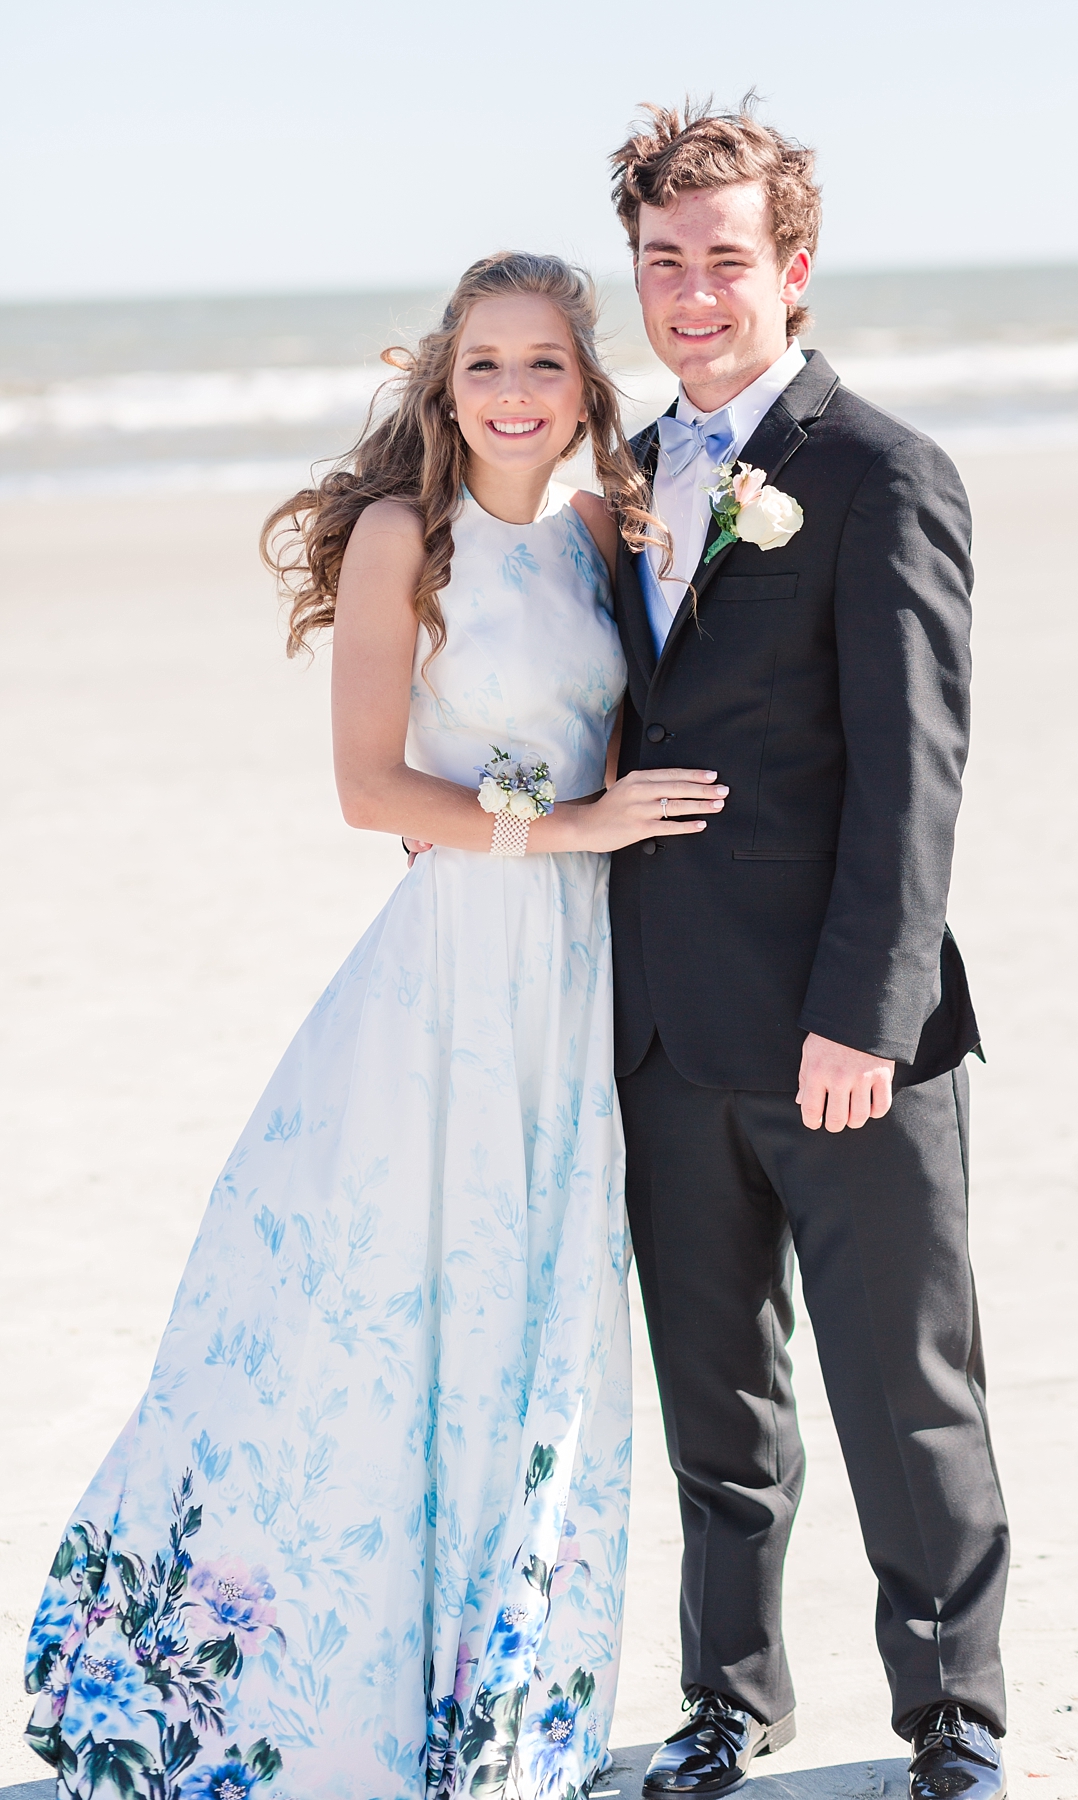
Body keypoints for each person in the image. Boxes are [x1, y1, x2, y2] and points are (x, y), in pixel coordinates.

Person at [23, 252, 722, 1800]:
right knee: (395, 1302)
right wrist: (571, 828)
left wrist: (607, 827)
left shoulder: (611, 528)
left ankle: (500, 1697)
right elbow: (368, 791)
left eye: (546, 363)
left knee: (535, 1315)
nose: (517, 392)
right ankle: (317, 1682)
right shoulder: (411, 533)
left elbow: (637, 726)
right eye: (486, 363)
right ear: (443, 382)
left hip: (581, 968)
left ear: (586, 383)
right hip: (455, 964)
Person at [605, 102, 1010, 1800]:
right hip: (665, 1036)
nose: (695, 294)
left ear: (794, 267)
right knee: (720, 1409)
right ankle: (729, 1701)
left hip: (852, 1035)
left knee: (904, 1395)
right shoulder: (613, 481)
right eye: (663, 263)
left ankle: (956, 1719)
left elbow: (917, 773)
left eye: (726, 259)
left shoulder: (883, 472)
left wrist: (863, 1016)